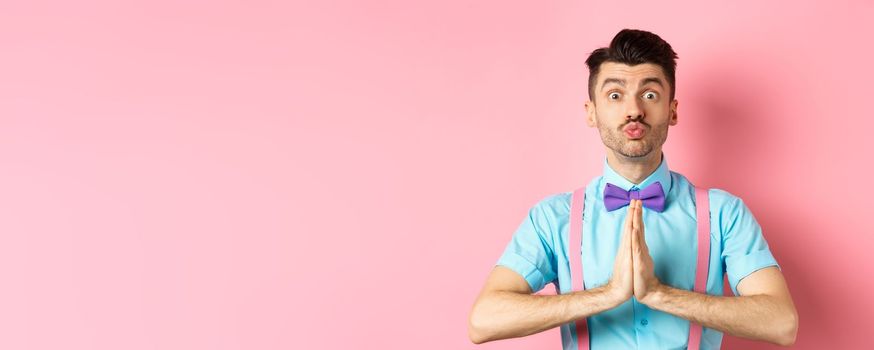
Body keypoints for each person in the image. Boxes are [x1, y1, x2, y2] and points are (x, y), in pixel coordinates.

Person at [467, 29, 798, 349]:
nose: (634, 110)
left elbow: (781, 323)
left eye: (650, 94)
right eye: (615, 95)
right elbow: (484, 320)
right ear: (591, 113)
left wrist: (659, 293)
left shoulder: (724, 213)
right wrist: (608, 294)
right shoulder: (553, 218)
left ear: (672, 110)